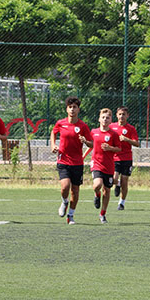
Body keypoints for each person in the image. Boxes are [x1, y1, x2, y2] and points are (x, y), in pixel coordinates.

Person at [50, 96, 92, 224]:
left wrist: (85, 141)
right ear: (66, 109)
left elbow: (92, 144)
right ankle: (64, 201)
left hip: (77, 162)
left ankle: (71, 215)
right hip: (63, 160)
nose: (72, 109)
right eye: (70, 107)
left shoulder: (83, 126)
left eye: (75, 107)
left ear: (78, 109)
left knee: (75, 190)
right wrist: (53, 145)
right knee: (65, 187)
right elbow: (53, 132)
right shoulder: (60, 123)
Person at [89, 108, 121, 224]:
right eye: (103, 117)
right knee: (97, 184)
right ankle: (97, 195)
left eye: (107, 117)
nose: (105, 119)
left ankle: (102, 214)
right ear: (99, 119)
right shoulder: (93, 132)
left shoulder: (114, 134)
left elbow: (119, 148)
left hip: (109, 165)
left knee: (107, 191)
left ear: (111, 120)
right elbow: (90, 144)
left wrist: (110, 148)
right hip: (96, 163)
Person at [111, 106, 140, 211]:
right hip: (114, 157)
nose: (121, 116)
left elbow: (137, 143)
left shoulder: (131, 129)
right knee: (114, 179)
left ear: (127, 116)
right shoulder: (111, 127)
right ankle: (117, 183)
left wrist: (127, 139)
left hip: (126, 158)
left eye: (124, 114)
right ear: (116, 115)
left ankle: (121, 203)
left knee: (124, 181)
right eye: (120, 114)